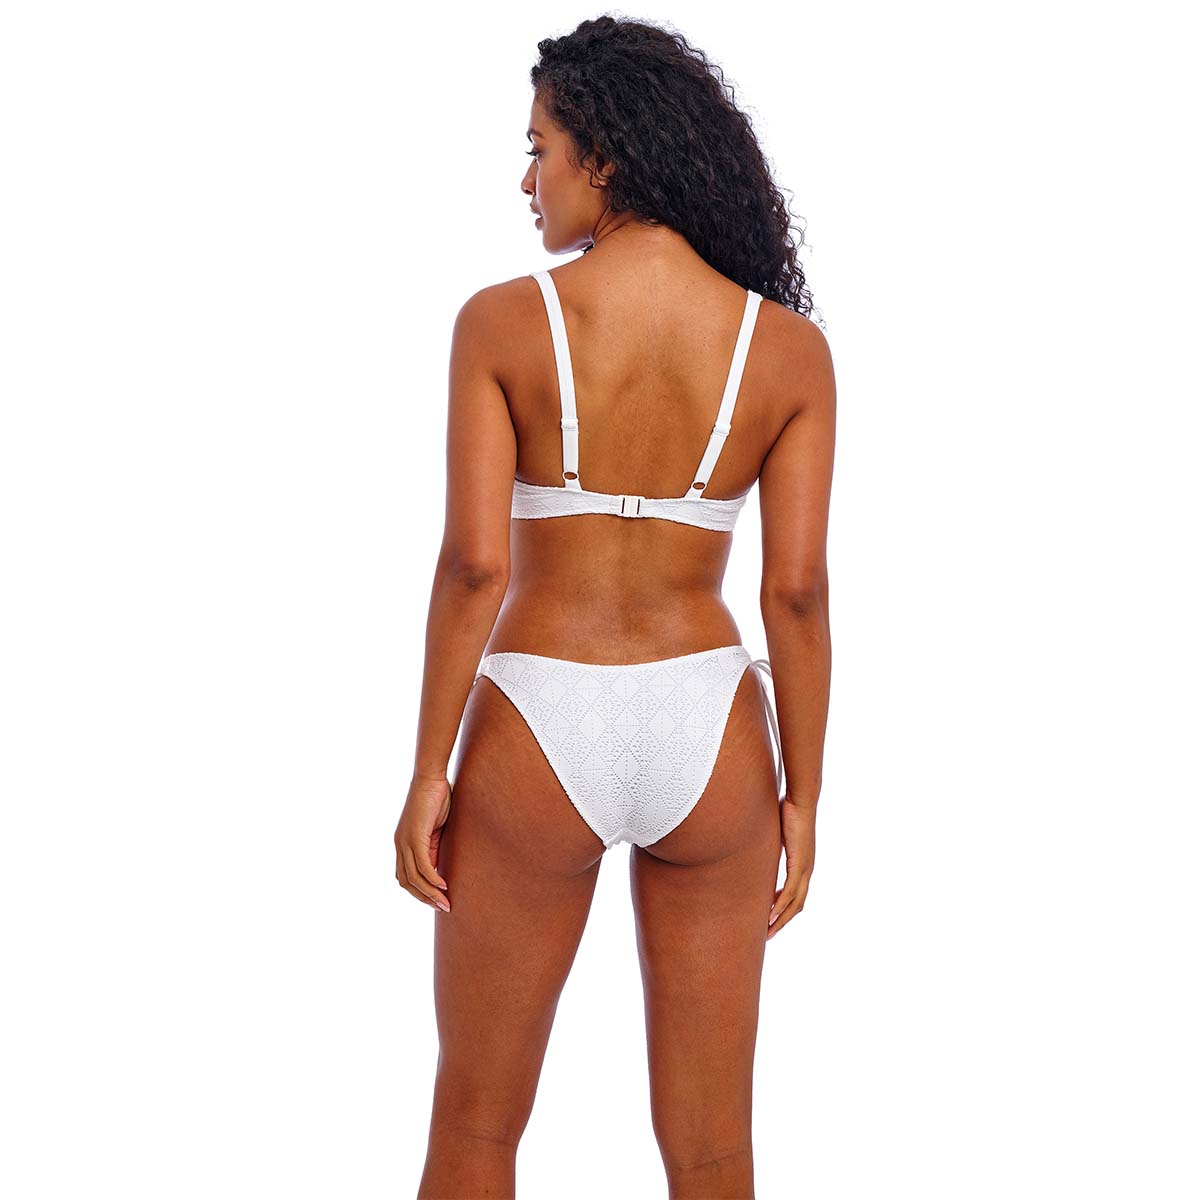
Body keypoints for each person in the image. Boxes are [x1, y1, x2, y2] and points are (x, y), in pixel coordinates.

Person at [395, 16, 835, 1197]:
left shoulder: (502, 323)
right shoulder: (787, 351)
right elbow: (794, 593)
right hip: (713, 729)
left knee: (476, 1129)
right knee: (713, 1148)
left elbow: (474, 568)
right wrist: (803, 795)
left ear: (607, 153)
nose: (527, 179)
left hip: (539, 719)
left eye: (538, 148)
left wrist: (429, 771)